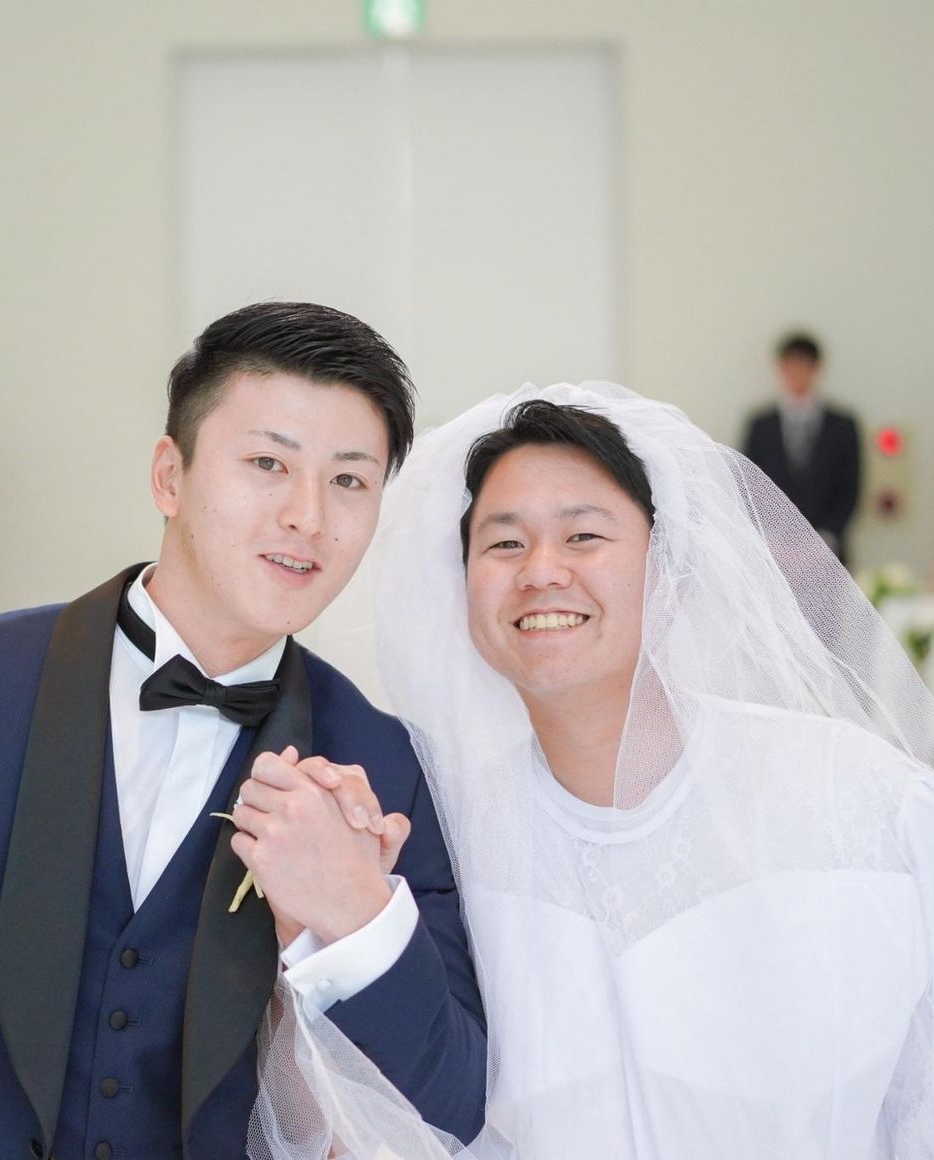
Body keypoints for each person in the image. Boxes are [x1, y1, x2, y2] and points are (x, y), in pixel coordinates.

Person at [0, 303, 486, 1160]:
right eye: (268, 462)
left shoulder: (384, 764)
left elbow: (451, 1107)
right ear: (169, 477)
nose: (308, 515)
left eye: (349, 482)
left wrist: (353, 916)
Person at [257, 382, 934, 1159]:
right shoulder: (451, 842)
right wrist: (325, 929)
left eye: (583, 536)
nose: (542, 570)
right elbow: (358, 1131)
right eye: (504, 544)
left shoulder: (860, 802)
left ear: (670, 576)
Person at [742, 331, 861, 563]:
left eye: (803, 364)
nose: (796, 372)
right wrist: (772, 540)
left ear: (816, 368)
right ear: (780, 367)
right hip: (773, 553)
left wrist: (824, 539)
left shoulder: (842, 426)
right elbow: (749, 485)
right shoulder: (761, 425)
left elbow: (850, 489)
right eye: (790, 364)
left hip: (827, 552)